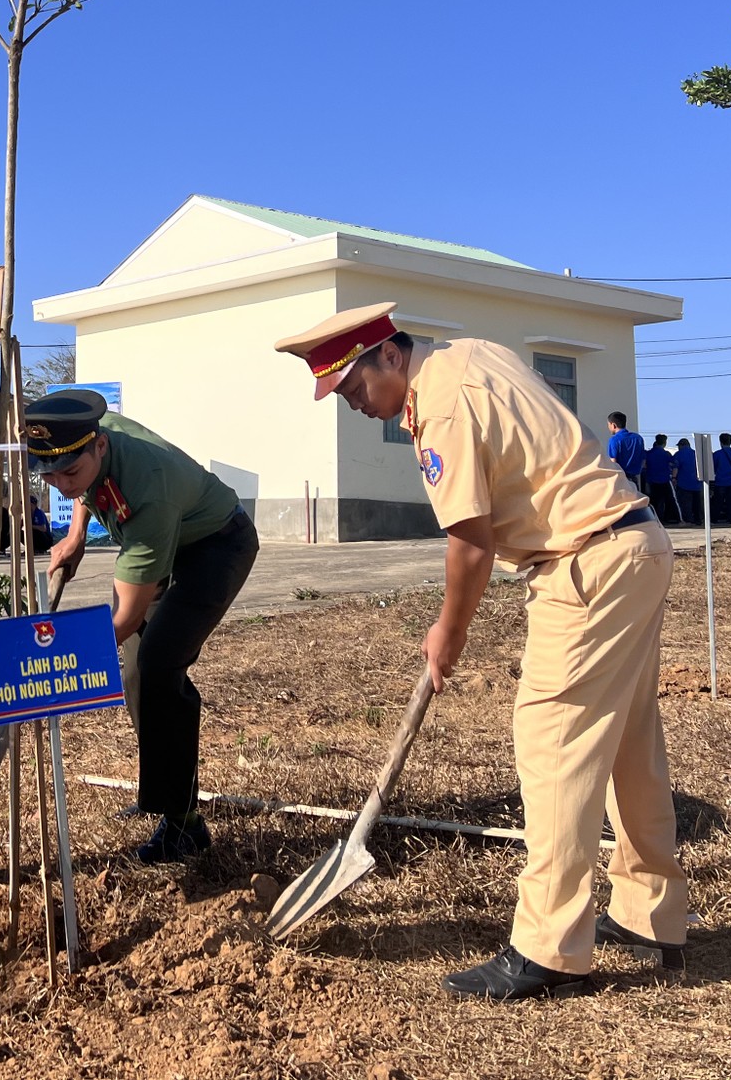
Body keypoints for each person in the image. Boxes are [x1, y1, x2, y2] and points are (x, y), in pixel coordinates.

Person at [277, 303, 686, 1001]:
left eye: (353, 390)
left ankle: (551, 950)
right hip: (633, 545)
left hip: (587, 563)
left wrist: (449, 632)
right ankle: (650, 910)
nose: (356, 409)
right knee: (625, 741)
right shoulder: (469, 355)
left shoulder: (441, 406)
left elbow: (469, 539)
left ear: (389, 357)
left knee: (551, 740)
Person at [32, 388, 259, 865]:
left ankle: (184, 824)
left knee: (158, 663)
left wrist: (54, 658)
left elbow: (124, 619)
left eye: (69, 473)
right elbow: (82, 484)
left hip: (215, 546)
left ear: (99, 447)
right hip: (164, 538)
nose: (61, 485)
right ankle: (164, 787)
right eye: (48, 476)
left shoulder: (147, 489)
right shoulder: (87, 436)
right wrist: (75, 535)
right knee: (135, 671)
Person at [643, 434, 677, 525]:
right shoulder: (666, 454)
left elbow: (644, 465)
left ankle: (653, 519)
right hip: (664, 480)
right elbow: (673, 465)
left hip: (651, 480)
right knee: (666, 500)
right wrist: (673, 478)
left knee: (653, 501)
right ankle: (665, 519)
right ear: (664, 443)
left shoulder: (648, 454)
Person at [604, 412, 645, 484]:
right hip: (634, 479)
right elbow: (643, 460)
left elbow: (613, 461)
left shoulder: (614, 440)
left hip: (620, 479)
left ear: (613, 425)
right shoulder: (638, 438)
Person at [711, 434, 731, 524]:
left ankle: (714, 519)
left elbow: (713, 467)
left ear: (720, 442)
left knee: (718, 502)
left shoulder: (717, 455)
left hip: (720, 482)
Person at [672, 435, 701, 526]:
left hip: (684, 483)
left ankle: (689, 520)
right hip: (697, 483)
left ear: (681, 445)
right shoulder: (696, 454)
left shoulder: (678, 454)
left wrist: (673, 478)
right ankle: (698, 519)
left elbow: (675, 468)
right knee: (697, 504)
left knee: (685, 504)